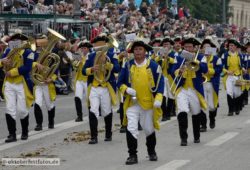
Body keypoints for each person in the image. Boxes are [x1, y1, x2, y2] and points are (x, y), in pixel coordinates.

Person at [117, 40, 164, 164]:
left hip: (148, 102)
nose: (137, 52)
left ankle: (151, 152)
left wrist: (158, 99)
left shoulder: (153, 66)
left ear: (145, 52)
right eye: (135, 50)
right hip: (132, 103)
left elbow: (160, 83)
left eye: (140, 49)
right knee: (131, 127)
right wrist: (126, 89)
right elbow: (119, 82)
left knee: (149, 129)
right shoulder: (127, 65)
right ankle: (132, 155)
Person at [82, 35, 120, 144]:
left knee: (107, 111)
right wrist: (91, 69)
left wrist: (107, 64)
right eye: (97, 44)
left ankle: (108, 134)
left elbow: (117, 68)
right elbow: (84, 71)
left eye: (102, 44)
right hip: (94, 87)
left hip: (106, 87)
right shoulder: (91, 56)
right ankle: (93, 136)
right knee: (93, 110)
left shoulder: (112, 55)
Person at [172, 37, 208, 146]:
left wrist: (195, 61)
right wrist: (179, 71)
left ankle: (196, 136)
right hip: (182, 89)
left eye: (190, 47)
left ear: (194, 48)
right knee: (182, 111)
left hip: (195, 89)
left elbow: (205, 69)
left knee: (196, 112)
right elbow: (172, 69)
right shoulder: (179, 57)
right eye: (186, 47)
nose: (188, 49)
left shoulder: (201, 57)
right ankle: (183, 138)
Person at [0, 33, 35, 142]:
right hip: (9, 83)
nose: (15, 43)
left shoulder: (28, 52)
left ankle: (25, 132)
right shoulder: (6, 51)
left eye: (18, 41)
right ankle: (12, 134)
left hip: (21, 83)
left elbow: (27, 67)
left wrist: (13, 72)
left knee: (22, 110)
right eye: (13, 40)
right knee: (10, 109)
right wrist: (2, 62)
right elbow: (2, 63)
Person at [199, 38, 223, 131]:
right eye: (204, 47)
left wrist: (211, 71)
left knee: (212, 106)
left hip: (212, 84)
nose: (206, 49)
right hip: (201, 84)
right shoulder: (199, 58)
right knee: (201, 105)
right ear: (202, 49)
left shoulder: (216, 58)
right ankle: (203, 125)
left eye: (208, 47)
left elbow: (220, 69)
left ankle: (212, 119)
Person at [221, 39, 244, 116]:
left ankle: (237, 108)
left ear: (236, 47)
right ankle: (230, 110)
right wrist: (227, 71)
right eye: (230, 45)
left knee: (238, 93)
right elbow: (221, 66)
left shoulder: (239, 55)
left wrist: (243, 69)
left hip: (238, 76)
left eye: (232, 45)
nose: (231, 47)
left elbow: (242, 65)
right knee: (229, 93)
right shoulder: (225, 55)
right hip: (229, 77)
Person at [74, 41, 93, 122]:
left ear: (88, 49)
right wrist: (75, 63)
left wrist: (83, 60)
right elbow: (74, 67)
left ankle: (91, 114)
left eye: (84, 48)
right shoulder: (78, 56)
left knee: (89, 98)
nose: (83, 50)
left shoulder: (91, 56)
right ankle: (79, 116)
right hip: (79, 79)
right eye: (82, 48)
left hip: (87, 80)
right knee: (77, 97)